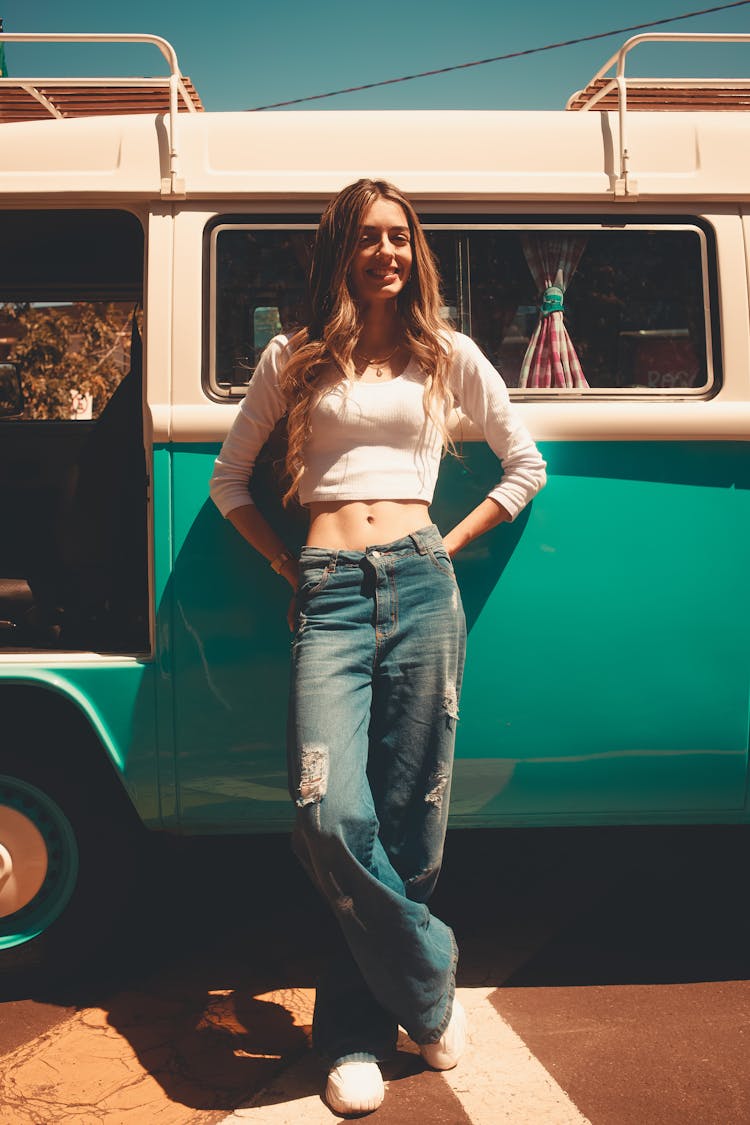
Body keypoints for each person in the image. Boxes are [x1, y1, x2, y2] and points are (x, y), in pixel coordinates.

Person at [210, 179, 546, 1115]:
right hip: (327, 591)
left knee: (412, 816)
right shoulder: (294, 356)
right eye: (368, 238)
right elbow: (228, 481)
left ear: (416, 251)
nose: (387, 253)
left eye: (399, 238)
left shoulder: (447, 355)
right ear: (340, 252)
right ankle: (432, 981)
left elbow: (527, 463)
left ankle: (356, 1034)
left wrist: (450, 539)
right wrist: (288, 563)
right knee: (326, 811)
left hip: (422, 583)